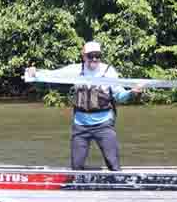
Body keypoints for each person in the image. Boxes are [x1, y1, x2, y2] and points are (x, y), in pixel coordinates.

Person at [25, 41, 141, 171]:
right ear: (84, 56)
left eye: (97, 55)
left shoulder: (109, 72)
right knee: (77, 166)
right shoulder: (75, 70)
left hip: (104, 125)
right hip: (81, 126)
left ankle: (119, 185)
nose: (94, 59)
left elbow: (120, 95)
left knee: (113, 164)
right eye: (91, 56)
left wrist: (131, 92)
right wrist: (34, 73)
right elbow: (52, 75)